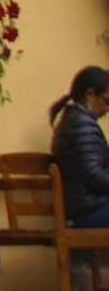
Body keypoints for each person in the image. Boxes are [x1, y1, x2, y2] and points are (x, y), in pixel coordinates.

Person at [49, 66, 109, 228]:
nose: (107, 108)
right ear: (89, 94)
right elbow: (94, 176)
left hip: (87, 206)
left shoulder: (76, 121)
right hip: (87, 211)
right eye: (107, 100)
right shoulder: (81, 124)